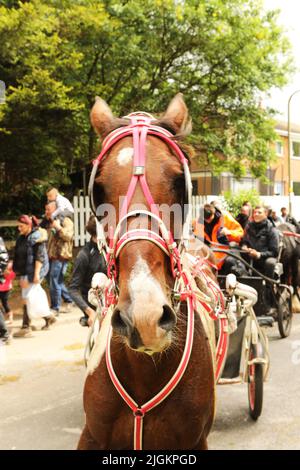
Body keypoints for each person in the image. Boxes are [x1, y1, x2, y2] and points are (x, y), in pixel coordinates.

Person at [13, 215, 53, 338]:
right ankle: (48, 317)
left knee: (28, 297)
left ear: (29, 225)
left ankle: (26, 326)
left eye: (21, 226)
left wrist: (36, 274)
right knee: (31, 297)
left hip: (36, 270)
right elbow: (18, 256)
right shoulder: (21, 238)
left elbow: (39, 257)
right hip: (26, 270)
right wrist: (16, 271)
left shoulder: (37, 237)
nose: (19, 228)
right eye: (18, 226)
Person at [68, 215, 107, 327]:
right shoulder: (84, 255)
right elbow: (73, 289)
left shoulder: (110, 250)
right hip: (96, 311)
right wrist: (90, 312)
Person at [241, 205, 279, 314]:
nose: (256, 214)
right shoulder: (249, 226)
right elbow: (243, 241)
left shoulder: (271, 229)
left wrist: (259, 255)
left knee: (270, 263)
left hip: (264, 260)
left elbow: (274, 251)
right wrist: (244, 247)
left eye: (259, 212)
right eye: (255, 212)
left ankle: (269, 299)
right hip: (249, 258)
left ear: (265, 214)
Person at [193, 203, 246, 275]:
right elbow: (197, 241)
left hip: (226, 253)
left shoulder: (225, 217)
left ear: (214, 213)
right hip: (210, 254)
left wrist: (229, 232)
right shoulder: (198, 222)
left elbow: (240, 234)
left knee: (230, 261)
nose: (208, 221)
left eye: (209, 218)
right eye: (205, 219)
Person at [46, 201, 74, 314]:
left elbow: (68, 236)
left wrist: (58, 228)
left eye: (48, 209)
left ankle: (55, 307)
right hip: (51, 255)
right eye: (46, 209)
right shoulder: (49, 221)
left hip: (61, 255)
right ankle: (69, 299)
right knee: (55, 281)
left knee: (54, 281)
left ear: (56, 209)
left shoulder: (66, 220)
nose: (46, 212)